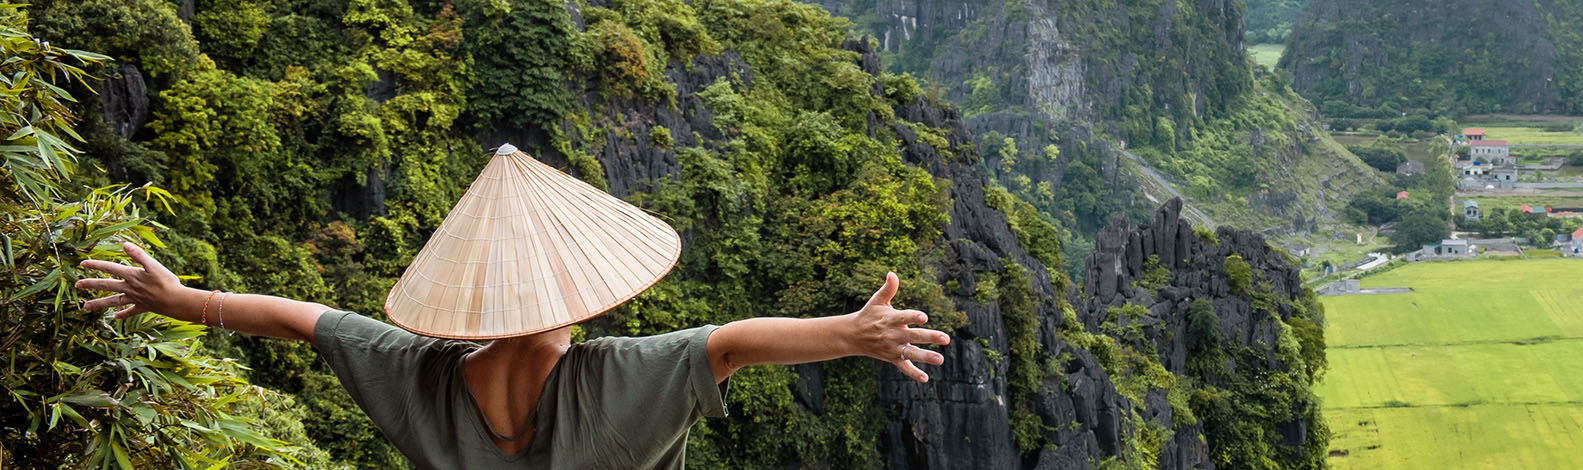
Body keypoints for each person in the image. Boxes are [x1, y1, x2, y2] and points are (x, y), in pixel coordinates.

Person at [69, 146, 952, 469]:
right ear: (578, 297)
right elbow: (726, 347)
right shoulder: (612, 387)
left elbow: (303, 318)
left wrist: (179, 301)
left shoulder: (417, 380)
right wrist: (853, 333)